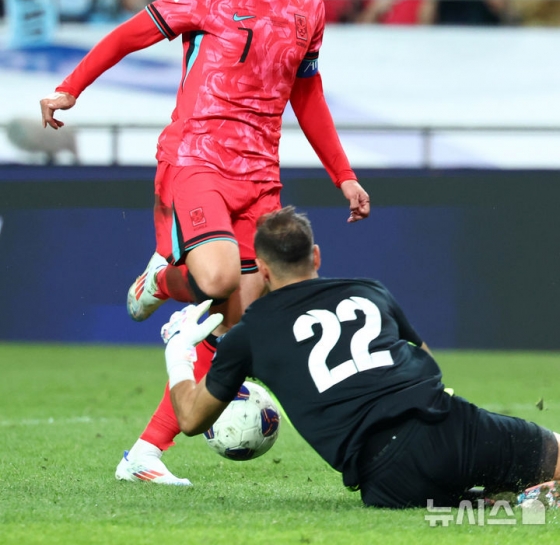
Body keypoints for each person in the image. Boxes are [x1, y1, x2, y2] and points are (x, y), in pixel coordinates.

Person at [39, 0, 370, 485]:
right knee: (217, 279)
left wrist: (342, 176)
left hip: (259, 176)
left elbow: (308, 93)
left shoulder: (309, 8)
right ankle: (165, 279)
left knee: (241, 319)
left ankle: (144, 455)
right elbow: (131, 34)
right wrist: (69, 87)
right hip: (198, 157)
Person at [162, 206, 560, 508]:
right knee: (552, 455)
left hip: (389, 478)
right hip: (450, 428)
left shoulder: (249, 335)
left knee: (468, 504)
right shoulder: (370, 291)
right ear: (315, 256)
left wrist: (179, 351)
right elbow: (425, 359)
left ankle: (486, 503)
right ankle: (510, 495)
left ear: (262, 270)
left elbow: (191, 419)